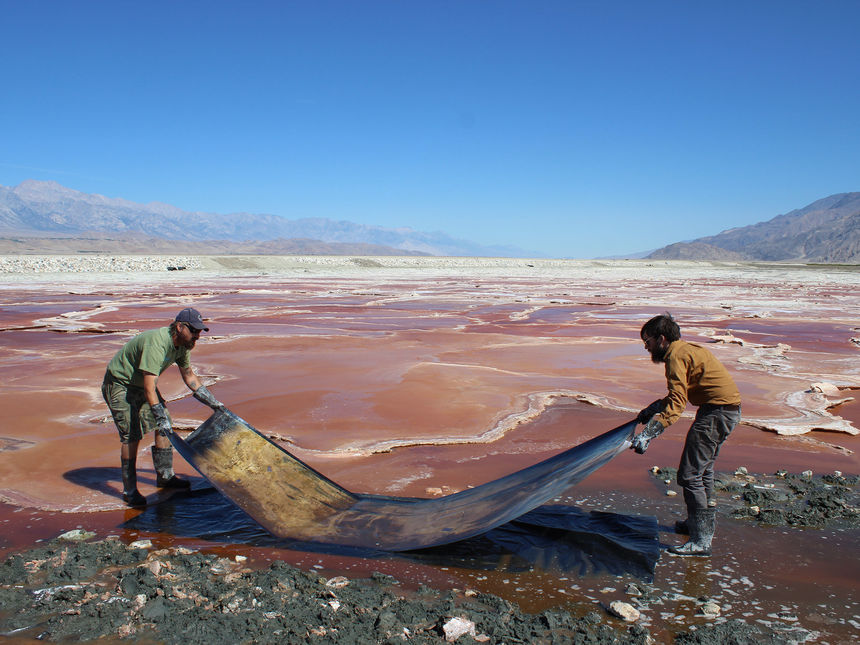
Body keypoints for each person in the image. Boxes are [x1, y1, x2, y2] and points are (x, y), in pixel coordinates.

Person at [631, 313, 741, 557]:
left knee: (690, 475)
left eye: (647, 341)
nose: (646, 347)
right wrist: (653, 408)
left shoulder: (675, 357)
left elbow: (678, 404)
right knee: (703, 472)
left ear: (661, 339)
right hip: (722, 410)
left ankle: (701, 541)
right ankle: (697, 526)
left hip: (717, 414)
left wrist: (649, 433)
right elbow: (676, 396)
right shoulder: (685, 350)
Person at [102, 307, 224, 507]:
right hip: (120, 383)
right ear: (179, 327)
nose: (197, 336)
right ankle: (129, 491)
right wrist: (158, 414)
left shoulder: (184, 345)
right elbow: (150, 387)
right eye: (193, 331)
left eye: (199, 332)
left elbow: (189, 376)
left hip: (141, 383)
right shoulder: (157, 344)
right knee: (131, 435)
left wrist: (213, 403)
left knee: (165, 425)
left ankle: (165, 477)